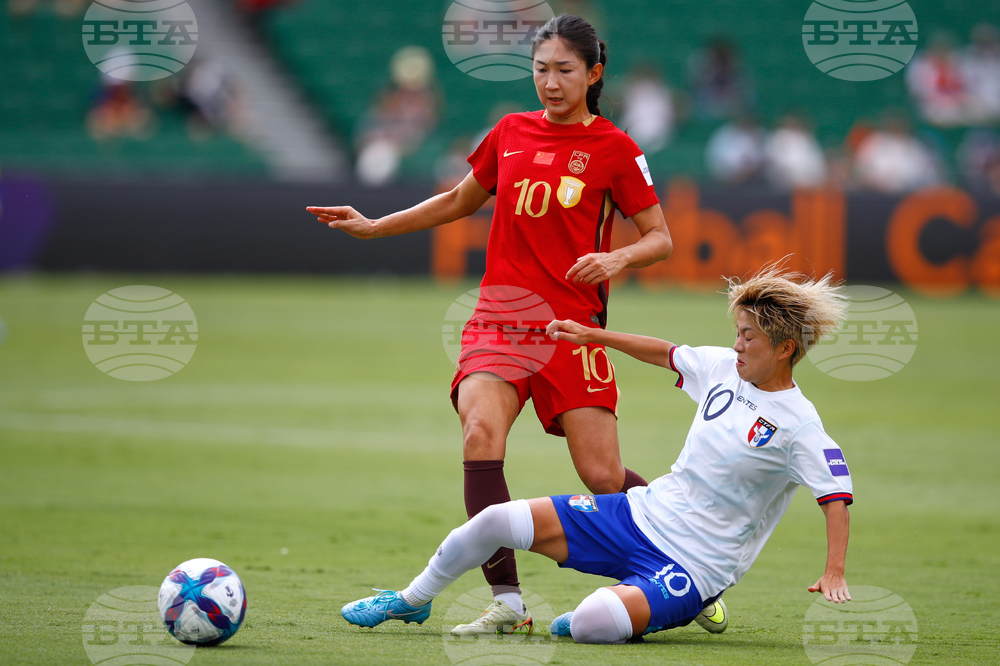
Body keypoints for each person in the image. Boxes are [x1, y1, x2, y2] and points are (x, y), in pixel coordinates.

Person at [307, 14, 672, 634]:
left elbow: (660, 238)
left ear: (593, 74)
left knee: (603, 477)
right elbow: (458, 201)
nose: (550, 83)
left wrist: (618, 257)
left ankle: (678, 559)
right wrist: (374, 226)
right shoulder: (509, 131)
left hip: (573, 329)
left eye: (564, 70)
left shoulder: (616, 148)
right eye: (540, 69)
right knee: (480, 435)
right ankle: (509, 604)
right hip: (500, 321)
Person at [340, 264, 853, 644]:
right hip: (639, 514)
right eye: (737, 333)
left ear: (785, 349)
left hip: (696, 565)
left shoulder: (800, 425)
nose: (736, 345)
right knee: (495, 520)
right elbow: (664, 352)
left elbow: (835, 494)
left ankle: (630, 611)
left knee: (590, 625)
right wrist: (593, 335)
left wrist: (833, 570)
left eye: (748, 337)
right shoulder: (723, 368)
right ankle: (412, 600)